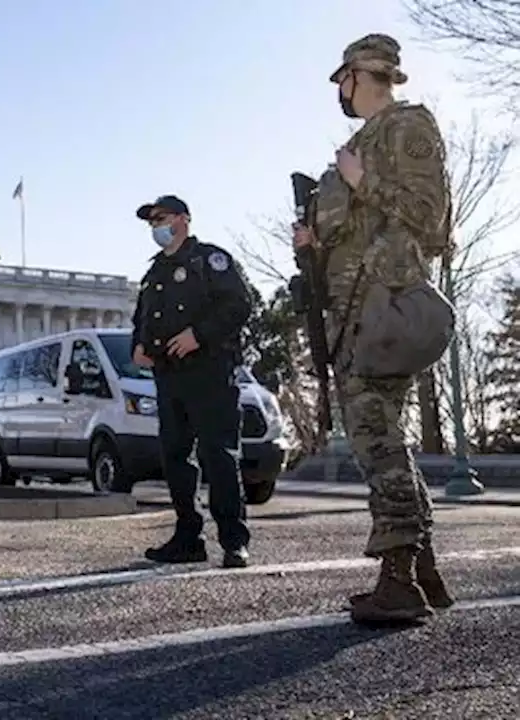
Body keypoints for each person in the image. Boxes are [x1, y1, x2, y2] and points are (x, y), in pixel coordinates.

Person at [292, 34, 454, 626]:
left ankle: (399, 580)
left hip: (384, 306)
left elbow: (427, 213)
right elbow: (347, 235)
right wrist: (312, 243)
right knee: (385, 437)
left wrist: (362, 183)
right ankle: (423, 571)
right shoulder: (355, 147)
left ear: (365, 74)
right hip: (349, 316)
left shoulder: (408, 125)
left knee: (376, 440)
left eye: (343, 78)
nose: (339, 90)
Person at [130, 195, 254, 569]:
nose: (156, 227)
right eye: (151, 222)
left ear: (183, 219)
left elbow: (238, 305)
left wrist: (198, 335)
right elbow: (142, 318)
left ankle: (234, 540)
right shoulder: (154, 273)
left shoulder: (209, 261)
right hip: (169, 376)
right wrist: (138, 345)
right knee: (175, 458)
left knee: (218, 455)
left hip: (210, 371)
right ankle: (188, 537)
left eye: (161, 219)